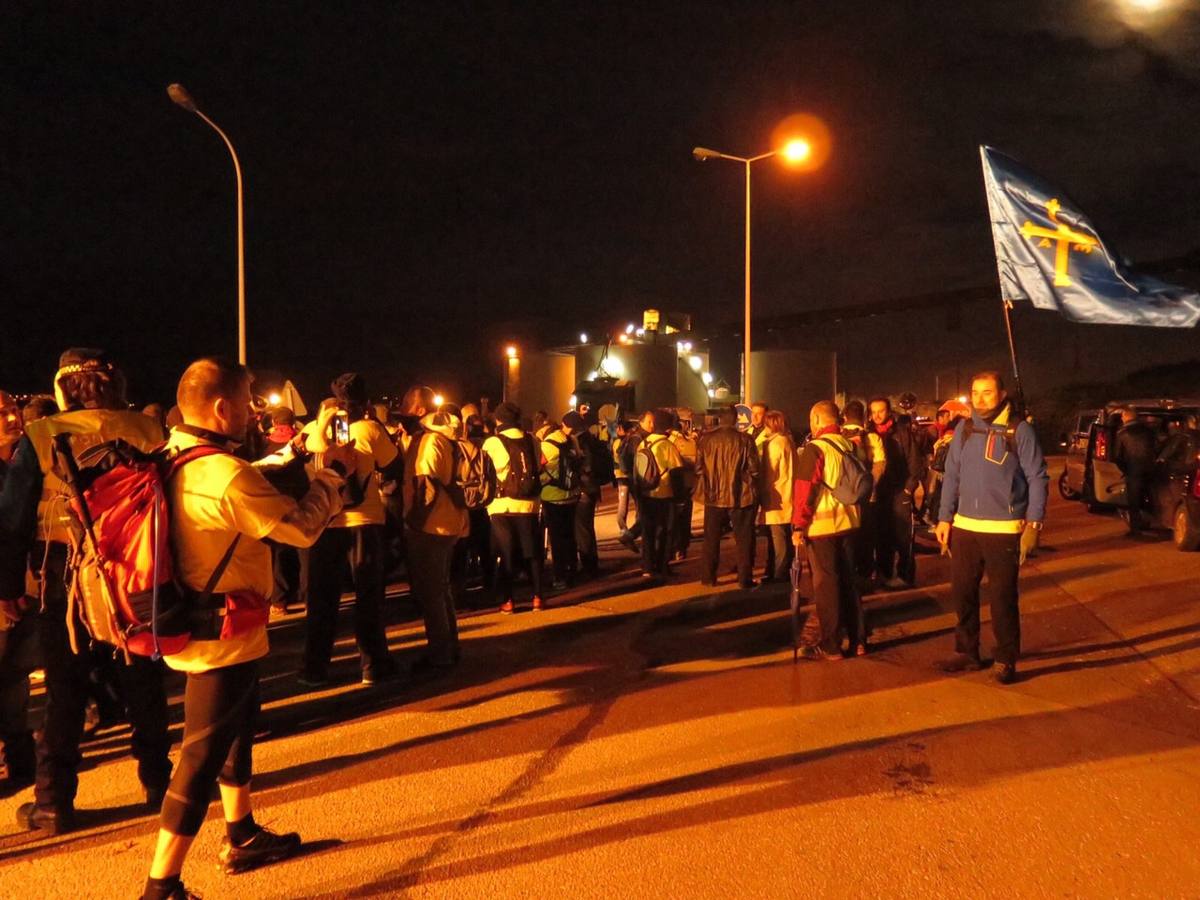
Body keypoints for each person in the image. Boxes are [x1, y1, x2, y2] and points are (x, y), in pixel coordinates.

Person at [141, 357, 354, 899]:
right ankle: (160, 885)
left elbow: (245, 479)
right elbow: (301, 528)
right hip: (220, 635)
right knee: (199, 757)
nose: (254, 410)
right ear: (221, 407)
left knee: (236, 729)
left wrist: (296, 451)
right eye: (249, 400)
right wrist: (332, 476)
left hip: (205, 621)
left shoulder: (173, 454)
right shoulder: (225, 474)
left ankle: (242, 832)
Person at [0, 349, 171, 835]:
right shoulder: (148, 430)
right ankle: (161, 784)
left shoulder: (41, 434)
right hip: (138, 568)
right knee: (142, 678)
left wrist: (9, 586)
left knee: (66, 687)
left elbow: (12, 522)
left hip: (64, 572)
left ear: (63, 387)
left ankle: (54, 803)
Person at [935, 371, 1048, 685]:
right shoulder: (965, 428)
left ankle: (1005, 658)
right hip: (965, 528)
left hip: (1004, 529)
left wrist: (1034, 524)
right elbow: (951, 475)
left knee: (1002, 598)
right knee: (963, 594)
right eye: (975, 392)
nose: (980, 398)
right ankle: (968, 652)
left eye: (987, 392)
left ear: (1001, 394)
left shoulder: (1019, 430)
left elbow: (1038, 477)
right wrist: (945, 518)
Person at [300, 373, 402, 687]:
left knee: (322, 599)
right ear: (365, 401)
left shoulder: (310, 433)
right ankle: (372, 664)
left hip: (323, 523)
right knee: (368, 597)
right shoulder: (370, 429)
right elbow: (393, 464)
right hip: (364, 521)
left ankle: (313, 668)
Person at [791, 401, 865, 660]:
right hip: (850, 523)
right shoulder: (850, 445)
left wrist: (798, 524)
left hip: (822, 527)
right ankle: (858, 640)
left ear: (817, 419)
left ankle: (831, 645)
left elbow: (804, 490)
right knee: (849, 582)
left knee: (827, 586)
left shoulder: (815, 449)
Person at [403, 398, 469, 670]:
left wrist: (414, 521)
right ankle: (449, 648)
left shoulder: (431, 442)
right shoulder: (450, 441)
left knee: (430, 593)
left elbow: (426, 484)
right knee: (441, 590)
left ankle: (440, 655)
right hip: (449, 523)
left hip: (431, 526)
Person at [0, 390, 36, 797]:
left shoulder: (22, 461)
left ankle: (21, 757)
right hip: (6, 589)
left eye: (14, 409)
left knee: (15, 678)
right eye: (2, 413)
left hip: (22, 589)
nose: (13, 417)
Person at [483, 402, 545, 613]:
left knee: (506, 553)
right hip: (529, 504)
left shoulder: (493, 442)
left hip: (502, 505)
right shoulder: (533, 440)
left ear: (499, 420)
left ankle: (508, 601)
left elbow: (487, 471)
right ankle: (538, 597)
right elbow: (539, 465)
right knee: (532, 551)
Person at [695, 404, 760, 589]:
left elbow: (698, 468)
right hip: (741, 495)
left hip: (713, 495)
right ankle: (744, 579)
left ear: (719, 418)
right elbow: (754, 470)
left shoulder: (705, 440)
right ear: (736, 418)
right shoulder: (746, 440)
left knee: (711, 538)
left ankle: (708, 577)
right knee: (744, 539)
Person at [867, 396, 923, 589]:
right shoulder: (868, 433)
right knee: (882, 535)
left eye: (880, 411)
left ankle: (905, 575)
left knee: (903, 536)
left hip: (900, 491)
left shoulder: (901, 433)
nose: (877, 415)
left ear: (889, 411)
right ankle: (884, 573)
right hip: (878, 493)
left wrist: (909, 488)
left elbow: (915, 462)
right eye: (873, 412)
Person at [635, 409, 685, 579]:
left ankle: (647, 566)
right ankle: (662, 566)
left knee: (648, 532)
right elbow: (676, 473)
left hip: (645, 493)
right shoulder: (667, 445)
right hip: (664, 494)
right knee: (665, 532)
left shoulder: (644, 443)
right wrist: (680, 499)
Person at [540, 412, 584, 590]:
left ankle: (559, 577)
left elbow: (540, 468)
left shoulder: (548, 444)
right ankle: (572, 570)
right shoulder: (573, 441)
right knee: (570, 535)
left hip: (552, 496)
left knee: (557, 539)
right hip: (572, 495)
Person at [758, 410, 796, 583]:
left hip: (776, 496)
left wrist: (761, 493)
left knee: (778, 538)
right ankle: (781, 570)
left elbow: (770, 472)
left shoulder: (774, 444)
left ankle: (779, 574)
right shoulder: (788, 441)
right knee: (784, 536)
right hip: (788, 494)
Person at [1114, 406, 1157, 534]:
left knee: (1134, 501)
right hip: (1151, 470)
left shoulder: (1122, 433)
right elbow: (1157, 449)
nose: (1121, 418)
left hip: (1133, 471)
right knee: (1150, 496)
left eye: (1122, 416)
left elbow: (1117, 456)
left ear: (1127, 417)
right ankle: (1154, 522)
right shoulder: (1149, 431)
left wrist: (1126, 470)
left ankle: (1136, 528)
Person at [669, 408, 698, 561]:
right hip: (685, 485)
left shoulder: (668, 440)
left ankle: (674, 548)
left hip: (671, 486)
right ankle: (680, 548)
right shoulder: (685, 442)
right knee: (683, 519)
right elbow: (695, 462)